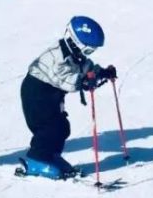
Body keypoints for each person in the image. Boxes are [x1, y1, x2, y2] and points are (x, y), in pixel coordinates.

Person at [18, 16, 116, 179]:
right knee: (48, 128)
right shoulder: (56, 56)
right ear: (77, 43)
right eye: (89, 50)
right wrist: (84, 81)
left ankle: (51, 156)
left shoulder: (74, 54)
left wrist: (102, 73)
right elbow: (66, 80)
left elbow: (86, 68)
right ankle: (36, 159)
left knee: (62, 126)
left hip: (52, 95)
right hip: (36, 92)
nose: (90, 53)